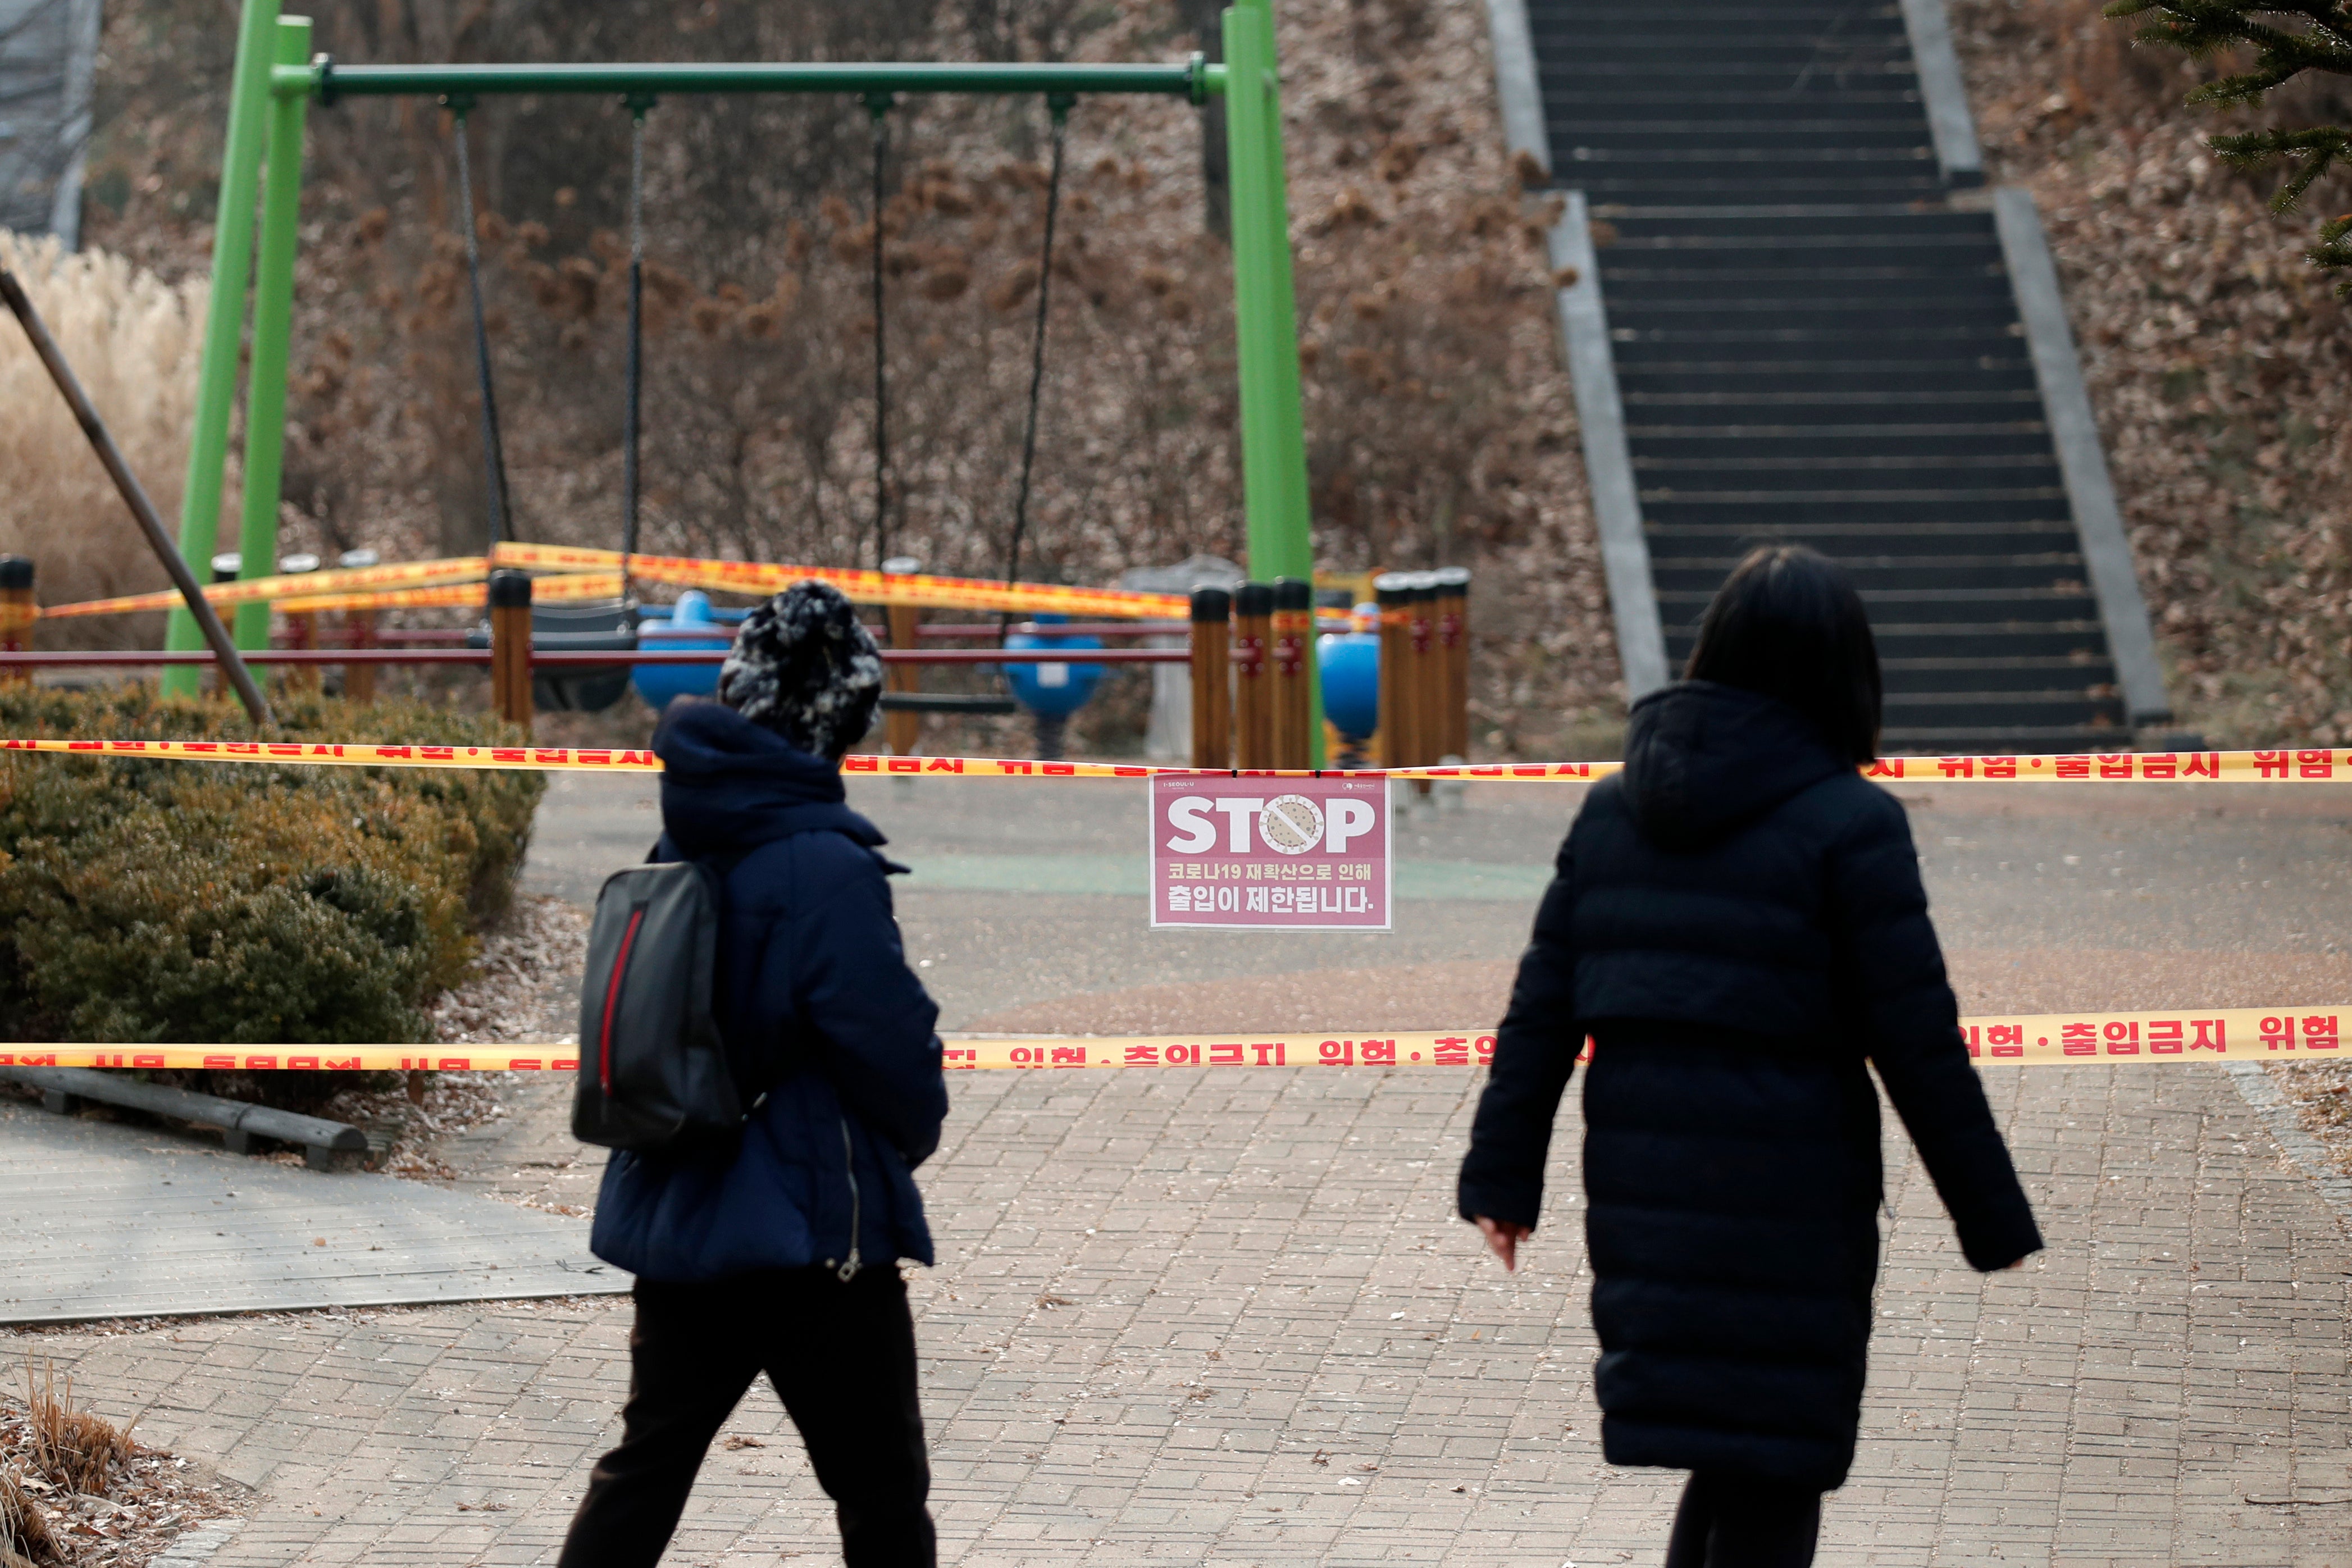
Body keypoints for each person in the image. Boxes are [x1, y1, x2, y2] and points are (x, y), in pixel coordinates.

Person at [1456, 545, 2042, 1567]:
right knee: (1773, 1466)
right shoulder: (1851, 824)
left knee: (1740, 1462)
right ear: (1845, 675)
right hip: (1790, 1204)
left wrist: (1502, 1179)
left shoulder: (1613, 809)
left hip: (1646, 1194)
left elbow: (1539, 1009)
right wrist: (1991, 1217)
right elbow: (1916, 1039)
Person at [560, 581, 947, 1568]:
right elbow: (888, 1040)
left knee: (646, 1467)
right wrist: (912, 1131)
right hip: (812, 1229)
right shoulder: (823, 864)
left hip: (683, 1207)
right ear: (839, 723)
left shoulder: (689, 827)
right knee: (882, 1494)